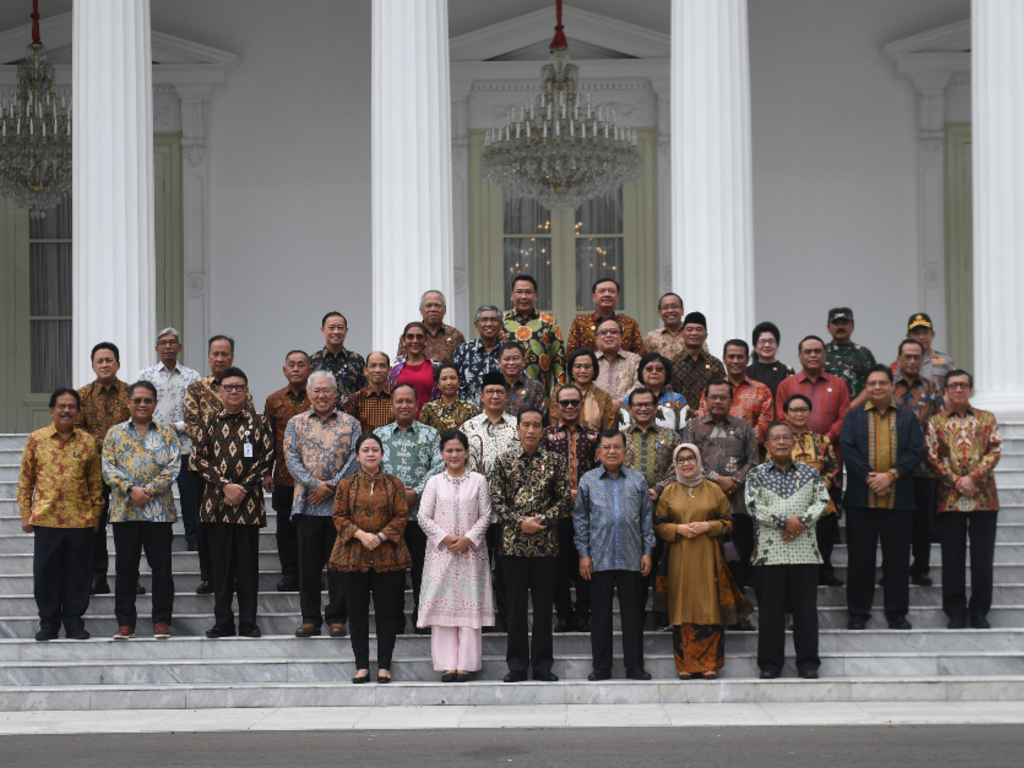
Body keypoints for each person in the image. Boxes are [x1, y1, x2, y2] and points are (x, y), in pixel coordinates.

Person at [191, 366, 273, 639]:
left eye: (239, 386)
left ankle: (248, 621)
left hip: (247, 507)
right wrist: (225, 485)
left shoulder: (259, 423)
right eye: (229, 387)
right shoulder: (208, 422)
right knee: (221, 569)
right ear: (220, 391)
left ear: (247, 390)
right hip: (216, 506)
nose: (234, 391)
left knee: (248, 569)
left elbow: (267, 458)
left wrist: (242, 488)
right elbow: (198, 459)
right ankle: (223, 621)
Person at [655, 443, 750, 679]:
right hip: (679, 557)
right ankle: (684, 663)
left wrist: (709, 526)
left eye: (690, 459)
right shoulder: (669, 492)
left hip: (710, 556)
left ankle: (710, 663)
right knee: (682, 606)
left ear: (699, 461)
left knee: (709, 607)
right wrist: (678, 528)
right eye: (681, 460)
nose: (686, 464)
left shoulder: (714, 489)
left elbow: (729, 522)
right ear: (675, 465)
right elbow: (658, 525)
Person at [840, 364, 924, 631]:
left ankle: (897, 613)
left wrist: (891, 475)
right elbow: (847, 449)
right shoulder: (853, 417)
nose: (877, 387)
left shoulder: (908, 417)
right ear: (867, 387)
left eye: (882, 383)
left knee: (898, 560)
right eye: (872, 383)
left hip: (898, 500)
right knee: (859, 561)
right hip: (860, 501)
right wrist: (871, 478)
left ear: (892, 386)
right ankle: (858, 613)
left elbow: (915, 450)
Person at [490, 409, 570, 682]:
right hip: (513, 546)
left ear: (543, 429)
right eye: (526, 424)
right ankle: (517, 665)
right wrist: (519, 522)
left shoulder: (556, 461)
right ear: (518, 428)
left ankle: (543, 665)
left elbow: (562, 500)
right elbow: (497, 501)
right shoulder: (504, 461)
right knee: (515, 609)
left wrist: (542, 520)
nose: (531, 430)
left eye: (537, 425)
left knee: (544, 608)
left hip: (546, 546)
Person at [18, 388, 104, 641]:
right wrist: (25, 513)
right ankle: (49, 623)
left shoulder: (87, 441)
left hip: (81, 520)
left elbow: (95, 482)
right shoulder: (36, 439)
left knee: (79, 575)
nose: (66, 410)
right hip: (46, 519)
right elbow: (26, 480)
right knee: (46, 575)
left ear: (78, 411)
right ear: (52, 410)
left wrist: (96, 513)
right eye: (61, 406)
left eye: (71, 406)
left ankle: (74, 622)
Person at [746, 422, 829, 679]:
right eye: (776, 438)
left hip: (805, 553)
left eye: (786, 438)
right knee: (770, 613)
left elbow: (823, 501)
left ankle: (808, 664)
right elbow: (752, 506)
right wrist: (785, 522)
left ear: (794, 443)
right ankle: (770, 665)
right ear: (767, 445)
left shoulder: (810, 473)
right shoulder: (756, 474)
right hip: (769, 555)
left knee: (805, 611)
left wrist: (800, 522)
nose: (781, 442)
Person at [284, 370, 361, 639]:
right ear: (308, 393)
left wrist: (333, 487)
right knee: (308, 566)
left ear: (335, 393)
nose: (321, 395)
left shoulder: (351, 423)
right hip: (307, 504)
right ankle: (310, 619)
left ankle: (337, 618)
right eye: (316, 390)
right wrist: (314, 484)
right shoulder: (296, 423)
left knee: (340, 564)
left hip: (341, 506)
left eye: (326, 390)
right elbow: (291, 459)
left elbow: (357, 458)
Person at [101, 381, 180, 640]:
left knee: (162, 570)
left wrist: (147, 491)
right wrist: (130, 489)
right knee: (125, 570)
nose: (142, 405)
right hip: (125, 512)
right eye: (137, 400)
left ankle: (161, 621)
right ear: (128, 403)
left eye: (147, 400)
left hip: (159, 512)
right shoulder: (115, 433)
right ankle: (126, 623)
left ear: (155, 403)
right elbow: (108, 468)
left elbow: (173, 467)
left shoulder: (167, 434)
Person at [330, 432, 412, 684]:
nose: (371, 454)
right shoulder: (346, 484)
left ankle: (385, 665)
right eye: (365, 450)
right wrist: (360, 535)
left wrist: (382, 536)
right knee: (356, 613)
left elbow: (401, 516)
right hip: (354, 556)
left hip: (388, 556)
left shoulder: (395, 484)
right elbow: (338, 516)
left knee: (387, 613)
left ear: (382, 454)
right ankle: (362, 666)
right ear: (357, 455)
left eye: (375, 449)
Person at [575, 429, 655, 681]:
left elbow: (646, 519)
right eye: (606, 447)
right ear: (597, 453)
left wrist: (647, 551)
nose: (612, 451)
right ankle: (601, 667)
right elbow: (580, 520)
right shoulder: (588, 480)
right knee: (600, 615)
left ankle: (635, 666)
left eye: (617, 447)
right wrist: (583, 554)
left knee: (632, 615)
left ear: (625, 450)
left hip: (632, 556)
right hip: (597, 558)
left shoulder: (637, 480)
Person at [925, 370, 1002, 629]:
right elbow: (932, 456)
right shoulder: (936, 422)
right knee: (952, 559)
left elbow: (995, 450)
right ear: (945, 391)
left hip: (984, 498)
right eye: (954, 385)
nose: (959, 389)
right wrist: (958, 481)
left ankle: (979, 612)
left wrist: (974, 478)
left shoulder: (986, 418)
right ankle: (956, 612)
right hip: (949, 499)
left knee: (982, 560)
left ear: (970, 389)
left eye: (964, 385)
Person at [417, 430, 494, 682]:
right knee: (443, 610)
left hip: (472, 554)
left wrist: (469, 539)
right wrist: (446, 538)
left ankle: (467, 664)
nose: (454, 454)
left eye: (458, 449)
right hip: (442, 554)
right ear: (441, 453)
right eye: (449, 450)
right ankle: (447, 664)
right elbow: (423, 517)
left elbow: (486, 515)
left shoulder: (479, 481)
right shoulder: (434, 482)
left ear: (466, 452)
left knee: (469, 609)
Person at [681, 379, 759, 624]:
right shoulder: (693, 427)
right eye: (713, 396)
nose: (717, 401)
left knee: (735, 563)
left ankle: (737, 615)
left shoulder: (743, 427)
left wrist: (734, 480)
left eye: (723, 397)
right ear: (705, 399)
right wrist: (717, 479)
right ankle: (705, 614)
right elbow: (687, 461)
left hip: (736, 510)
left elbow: (754, 461)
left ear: (731, 400)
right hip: (702, 510)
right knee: (703, 566)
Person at [184, 335, 255, 595]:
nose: (220, 358)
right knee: (206, 524)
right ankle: (210, 576)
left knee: (233, 525)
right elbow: (191, 425)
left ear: (232, 357)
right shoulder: (196, 388)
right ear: (209, 356)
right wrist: (223, 443)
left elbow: (251, 423)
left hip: (237, 470)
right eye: (216, 353)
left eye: (225, 354)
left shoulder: (241, 387)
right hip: (203, 468)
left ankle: (234, 575)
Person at [375, 384, 444, 633]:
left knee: (422, 571)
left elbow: (439, 467)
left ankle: (422, 618)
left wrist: (417, 492)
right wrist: (396, 496)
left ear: (417, 405)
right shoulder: (379, 436)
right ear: (392, 405)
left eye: (409, 401)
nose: (404, 405)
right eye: (399, 401)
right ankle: (393, 620)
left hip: (422, 516)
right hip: (389, 518)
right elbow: (372, 469)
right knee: (392, 572)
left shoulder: (431, 435)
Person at [462, 372, 520, 630]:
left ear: (507, 396)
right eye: (490, 391)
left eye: (500, 391)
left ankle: (508, 620)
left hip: (510, 512)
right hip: (476, 513)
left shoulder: (518, 426)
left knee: (508, 572)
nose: (495, 396)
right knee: (476, 570)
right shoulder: (468, 428)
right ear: (481, 395)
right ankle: (480, 619)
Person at [138, 327, 202, 556]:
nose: (168, 346)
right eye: (163, 342)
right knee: (155, 493)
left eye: (172, 342)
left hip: (185, 446)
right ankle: (157, 538)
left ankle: (193, 538)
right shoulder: (145, 376)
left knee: (189, 495)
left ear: (179, 348)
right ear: (156, 348)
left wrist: (180, 427)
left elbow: (199, 412)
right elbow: (138, 408)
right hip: (154, 447)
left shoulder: (192, 377)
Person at [541, 384, 599, 633]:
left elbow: (601, 472)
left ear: (581, 404)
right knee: (558, 567)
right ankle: (564, 614)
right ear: (557, 406)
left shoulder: (596, 435)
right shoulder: (547, 435)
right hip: (557, 513)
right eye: (564, 402)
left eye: (575, 402)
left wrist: (582, 494)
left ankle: (584, 614)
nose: (570, 406)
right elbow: (541, 472)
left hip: (589, 512)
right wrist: (566, 494)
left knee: (586, 565)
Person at [75, 342, 130, 597]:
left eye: (110, 359)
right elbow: (77, 433)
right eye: (100, 360)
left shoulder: (131, 394)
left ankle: (130, 576)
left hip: (127, 471)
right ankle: (98, 576)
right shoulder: (82, 395)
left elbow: (137, 429)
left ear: (118, 364)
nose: (105, 364)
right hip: (93, 471)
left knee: (125, 525)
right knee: (95, 525)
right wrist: (107, 444)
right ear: (93, 365)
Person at [892, 339, 943, 587]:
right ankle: (893, 568)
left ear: (922, 360)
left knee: (924, 522)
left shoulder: (933, 389)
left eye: (916, 356)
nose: (912, 361)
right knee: (895, 524)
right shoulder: (888, 388)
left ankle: (920, 567)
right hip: (893, 470)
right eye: (907, 356)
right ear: (899, 359)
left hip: (924, 468)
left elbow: (942, 425)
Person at [262, 350, 311, 592]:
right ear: (284, 370)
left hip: (314, 479)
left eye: (301, 365)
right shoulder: (274, 400)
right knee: (286, 530)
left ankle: (310, 573)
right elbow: (267, 439)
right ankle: (290, 574)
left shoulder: (319, 397)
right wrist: (266, 472)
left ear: (309, 370)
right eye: (291, 364)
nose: (296, 368)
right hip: (283, 477)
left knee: (311, 531)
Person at [784, 394, 842, 587]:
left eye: (804, 410)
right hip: (789, 507)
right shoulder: (779, 441)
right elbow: (770, 470)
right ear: (786, 414)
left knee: (822, 546)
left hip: (820, 505)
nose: (799, 414)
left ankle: (824, 574)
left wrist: (817, 489)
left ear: (810, 414)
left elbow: (832, 470)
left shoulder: (823, 441)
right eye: (794, 410)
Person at [774, 335, 851, 453]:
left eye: (818, 351)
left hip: (830, 451)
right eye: (808, 352)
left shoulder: (839, 384)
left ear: (825, 355)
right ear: (799, 357)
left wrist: (827, 438)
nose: (813, 355)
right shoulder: (786, 385)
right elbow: (781, 417)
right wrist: (801, 440)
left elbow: (844, 417)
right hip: (795, 452)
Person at [695, 340, 773, 443]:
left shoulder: (762, 390)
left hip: (751, 453)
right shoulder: (712, 390)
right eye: (731, 356)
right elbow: (704, 419)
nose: (735, 361)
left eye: (740, 357)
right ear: (724, 359)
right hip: (716, 452)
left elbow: (764, 424)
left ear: (748, 360)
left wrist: (742, 445)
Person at [502, 274, 566, 393]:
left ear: (536, 296)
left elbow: (558, 360)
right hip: (506, 394)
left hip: (540, 394)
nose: (524, 296)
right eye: (519, 292)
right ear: (512, 295)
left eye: (528, 292)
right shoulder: (501, 321)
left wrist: (559, 393)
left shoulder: (548, 322)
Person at [622, 388, 682, 501]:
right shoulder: (619, 438)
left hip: (664, 500)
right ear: (629, 408)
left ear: (655, 408)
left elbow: (678, 465)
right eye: (638, 405)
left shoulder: (672, 436)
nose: (643, 408)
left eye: (648, 404)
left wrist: (658, 489)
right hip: (627, 500)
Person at [566, 278, 645, 356]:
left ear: (617, 298)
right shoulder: (580, 322)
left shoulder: (629, 323)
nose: (607, 294)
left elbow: (640, 354)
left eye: (611, 291)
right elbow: (571, 355)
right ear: (594, 297)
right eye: (602, 291)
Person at [668, 312, 726, 417]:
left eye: (699, 330)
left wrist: (704, 412)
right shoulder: (672, 363)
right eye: (689, 329)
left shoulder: (715, 364)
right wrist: (690, 412)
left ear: (705, 335)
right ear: (681, 334)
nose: (694, 333)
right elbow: (668, 394)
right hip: (679, 420)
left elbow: (723, 393)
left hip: (710, 420)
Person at [549, 347, 617, 430]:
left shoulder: (604, 397)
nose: (583, 370)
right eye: (578, 366)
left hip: (596, 442)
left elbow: (609, 432)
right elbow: (554, 428)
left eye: (587, 367)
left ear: (594, 370)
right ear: (571, 370)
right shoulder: (559, 394)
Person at [617, 352, 687, 432]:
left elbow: (685, 433)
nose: (654, 372)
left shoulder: (678, 400)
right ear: (641, 373)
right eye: (649, 369)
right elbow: (622, 433)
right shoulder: (630, 399)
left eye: (659, 369)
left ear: (666, 373)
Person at [310, 311, 367, 407]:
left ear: (346, 331)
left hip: (349, 419)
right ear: (322, 330)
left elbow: (364, 392)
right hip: (319, 419)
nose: (336, 332)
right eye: (331, 328)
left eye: (340, 328)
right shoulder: (313, 361)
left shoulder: (357, 360)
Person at [898, 313, 957, 406]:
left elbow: (954, 389)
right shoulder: (902, 361)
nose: (921, 337)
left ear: (932, 334)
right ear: (908, 336)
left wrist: (941, 409)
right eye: (917, 333)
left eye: (925, 332)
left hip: (937, 413)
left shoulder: (945, 361)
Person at [824, 307, 877, 409]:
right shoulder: (820, 352)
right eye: (835, 323)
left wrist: (850, 408)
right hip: (827, 413)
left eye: (845, 323)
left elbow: (873, 384)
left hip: (858, 412)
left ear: (852, 326)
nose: (840, 326)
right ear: (828, 327)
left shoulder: (864, 353)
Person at [452, 305, 504, 406]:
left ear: (500, 325)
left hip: (503, 412)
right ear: (476, 325)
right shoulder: (463, 350)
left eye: (493, 320)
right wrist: (472, 409)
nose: (489, 324)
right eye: (484, 320)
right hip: (470, 413)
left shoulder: (509, 352)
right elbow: (456, 385)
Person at [396, 290, 466, 363]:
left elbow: (463, 365)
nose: (433, 309)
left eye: (438, 305)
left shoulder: (456, 335)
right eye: (428, 306)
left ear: (445, 310)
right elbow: (400, 365)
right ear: (421, 310)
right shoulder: (410, 337)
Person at [387, 321, 441, 416]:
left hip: (429, 424)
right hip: (398, 423)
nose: (415, 341)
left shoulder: (436, 366)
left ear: (426, 339)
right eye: (410, 337)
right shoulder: (394, 366)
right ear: (404, 340)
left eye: (419, 337)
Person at [593, 317, 642, 411]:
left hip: (628, 414)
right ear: (596, 339)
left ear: (621, 337)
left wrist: (620, 403)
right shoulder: (589, 361)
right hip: (595, 415)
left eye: (613, 332)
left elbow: (640, 385)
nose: (608, 335)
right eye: (603, 332)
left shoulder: (635, 360)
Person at [418, 363, 479, 432]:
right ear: (438, 383)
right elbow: (422, 436)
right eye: (444, 379)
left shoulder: (470, 409)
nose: (449, 382)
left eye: (453, 378)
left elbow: (474, 437)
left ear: (459, 382)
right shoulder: (428, 408)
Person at [344, 351, 395, 433]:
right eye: (373, 366)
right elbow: (349, 431)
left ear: (389, 370)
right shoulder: (355, 399)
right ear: (365, 370)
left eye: (382, 366)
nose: (378, 370)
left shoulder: (397, 398)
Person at [497, 341, 548, 419]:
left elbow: (540, 418)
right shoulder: (494, 388)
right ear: (499, 363)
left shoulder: (535, 387)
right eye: (507, 359)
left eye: (516, 358)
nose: (511, 363)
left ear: (524, 361)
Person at [747, 321, 795, 398]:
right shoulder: (747, 372)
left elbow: (792, 398)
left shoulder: (786, 370)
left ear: (777, 344)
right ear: (755, 346)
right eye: (762, 341)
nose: (767, 345)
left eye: (771, 341)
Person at [644, 292, 686, 359]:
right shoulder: (651, 337)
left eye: (674, 306)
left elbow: (706, 363)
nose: (670, 310)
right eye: (665, 307)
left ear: (682, 311)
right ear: (659, 314)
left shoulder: (692, 336)